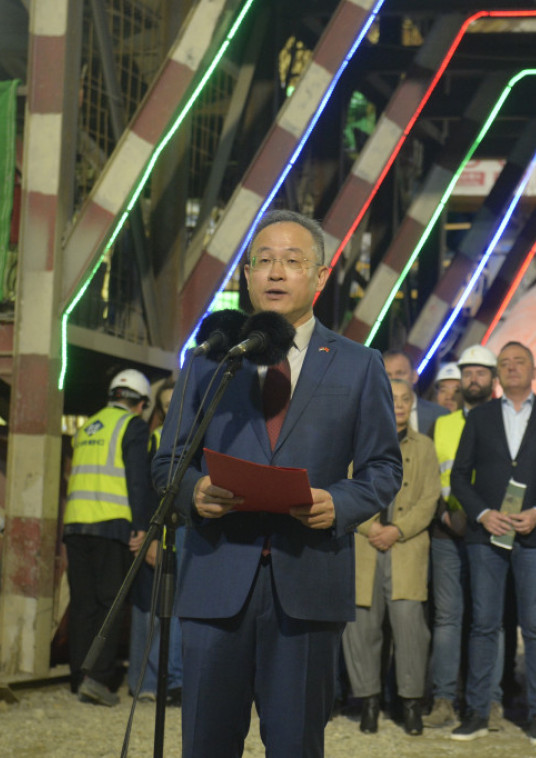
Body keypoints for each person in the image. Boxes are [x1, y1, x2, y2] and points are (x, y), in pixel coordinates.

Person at [152, 209, 402, 758]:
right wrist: (193, 491)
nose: (276, 272)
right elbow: (168, 460)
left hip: (308, 585)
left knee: (295, 745)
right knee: (205, 744)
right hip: (216, 581)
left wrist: (339, 502)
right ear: (246, 277)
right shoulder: (209, 361)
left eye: (292, 261)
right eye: (263, 261)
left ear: (319, 276)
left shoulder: (358, 365)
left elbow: (385, 468)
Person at [449, 341, 536, 746]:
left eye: (519, 362)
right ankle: (476, 712)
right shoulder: (480, 417)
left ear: (534, 371)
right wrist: (483, 514)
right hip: (486, 535)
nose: (511, 368)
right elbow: (459, 476)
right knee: (484, 624)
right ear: (498, 374)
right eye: (504, 363)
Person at [342, 379, 438, 736]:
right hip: (365, 545)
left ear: (412, 404)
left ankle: (410, 704)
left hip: (406, 547)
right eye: (392, 398)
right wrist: (371, 528)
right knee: (361, 628)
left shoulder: (425, 446)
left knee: (410, 628)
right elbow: (346, 490)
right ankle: (368, 702)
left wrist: (396, 530)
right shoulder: (357, 442)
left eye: (404, 399)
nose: (398, 404)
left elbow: (429, 499)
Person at [425, 344, 506, 731]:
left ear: (493, 379)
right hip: (448, 531)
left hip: (488, 531)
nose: (473, 379)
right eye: (467, 373)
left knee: (489, 620)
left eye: (480, 373)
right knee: (447, 619)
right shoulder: (442, 424)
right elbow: (432, 476)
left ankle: (490, 701)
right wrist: (445, 514)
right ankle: (443, 699)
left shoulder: (506, 423)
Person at [64, 368, 153, 706]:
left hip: (76, 524)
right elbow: (137, 479)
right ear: (140, 403)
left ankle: (79, 676)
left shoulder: (88, 426)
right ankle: (99, 679)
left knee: (83, 605)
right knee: (110, 605)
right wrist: (141, 526)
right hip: (111, 525)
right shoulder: (133, 426)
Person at [128, 376, 182, 704]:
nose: (171, 410)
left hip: (191, 534)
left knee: (178, 612)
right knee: (155, 610)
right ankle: (151, 683)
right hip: (164, 535)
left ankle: (170, 681)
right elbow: (149, 494)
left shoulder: (203, 437)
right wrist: (151, 538)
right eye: (166, 406)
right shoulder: (157, 440)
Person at [383, 349, 448, 436]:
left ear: (414, 376)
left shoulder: (440, 415)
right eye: (387, 375)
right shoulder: (369, 415)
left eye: (400, 373)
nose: (394, 379)